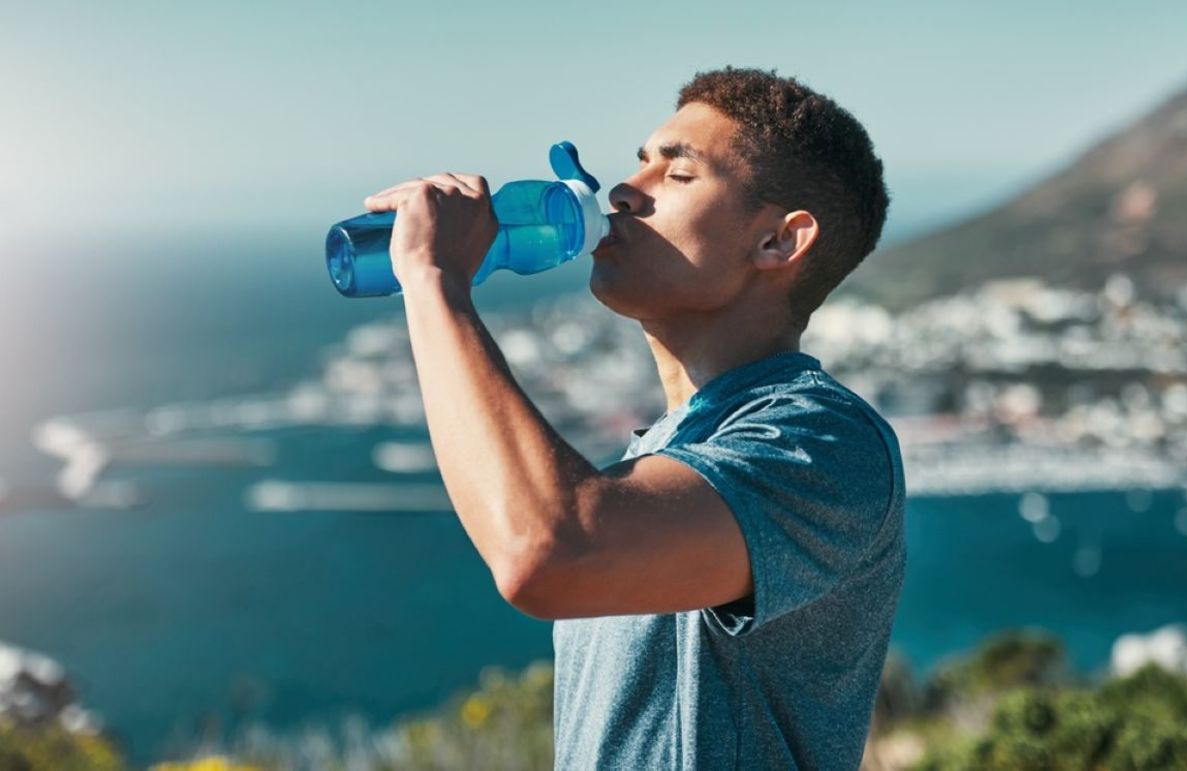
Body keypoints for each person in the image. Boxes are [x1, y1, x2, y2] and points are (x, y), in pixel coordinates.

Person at [363, 66, 905, 771]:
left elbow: (547, 551)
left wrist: (436, 281)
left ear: (778, 241)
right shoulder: (657, 455)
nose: (623, 189)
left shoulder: (824, 443)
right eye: (639, 162)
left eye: (678, 175)